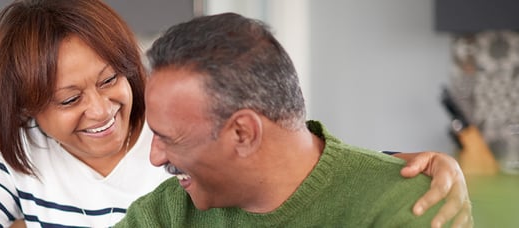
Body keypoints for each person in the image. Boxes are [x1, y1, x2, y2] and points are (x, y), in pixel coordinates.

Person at [0, 0, 471, 227]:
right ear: (28, 108)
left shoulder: (183, 128)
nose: (100, 110)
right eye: (68, 100)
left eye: (111, 79)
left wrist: (420, 168)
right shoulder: (11, 146)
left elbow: (295, 155)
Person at [114, 13, 472, 228]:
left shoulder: (404, 207)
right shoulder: (169, 212)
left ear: (243, 132)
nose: (155, 157)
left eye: (168, 138)